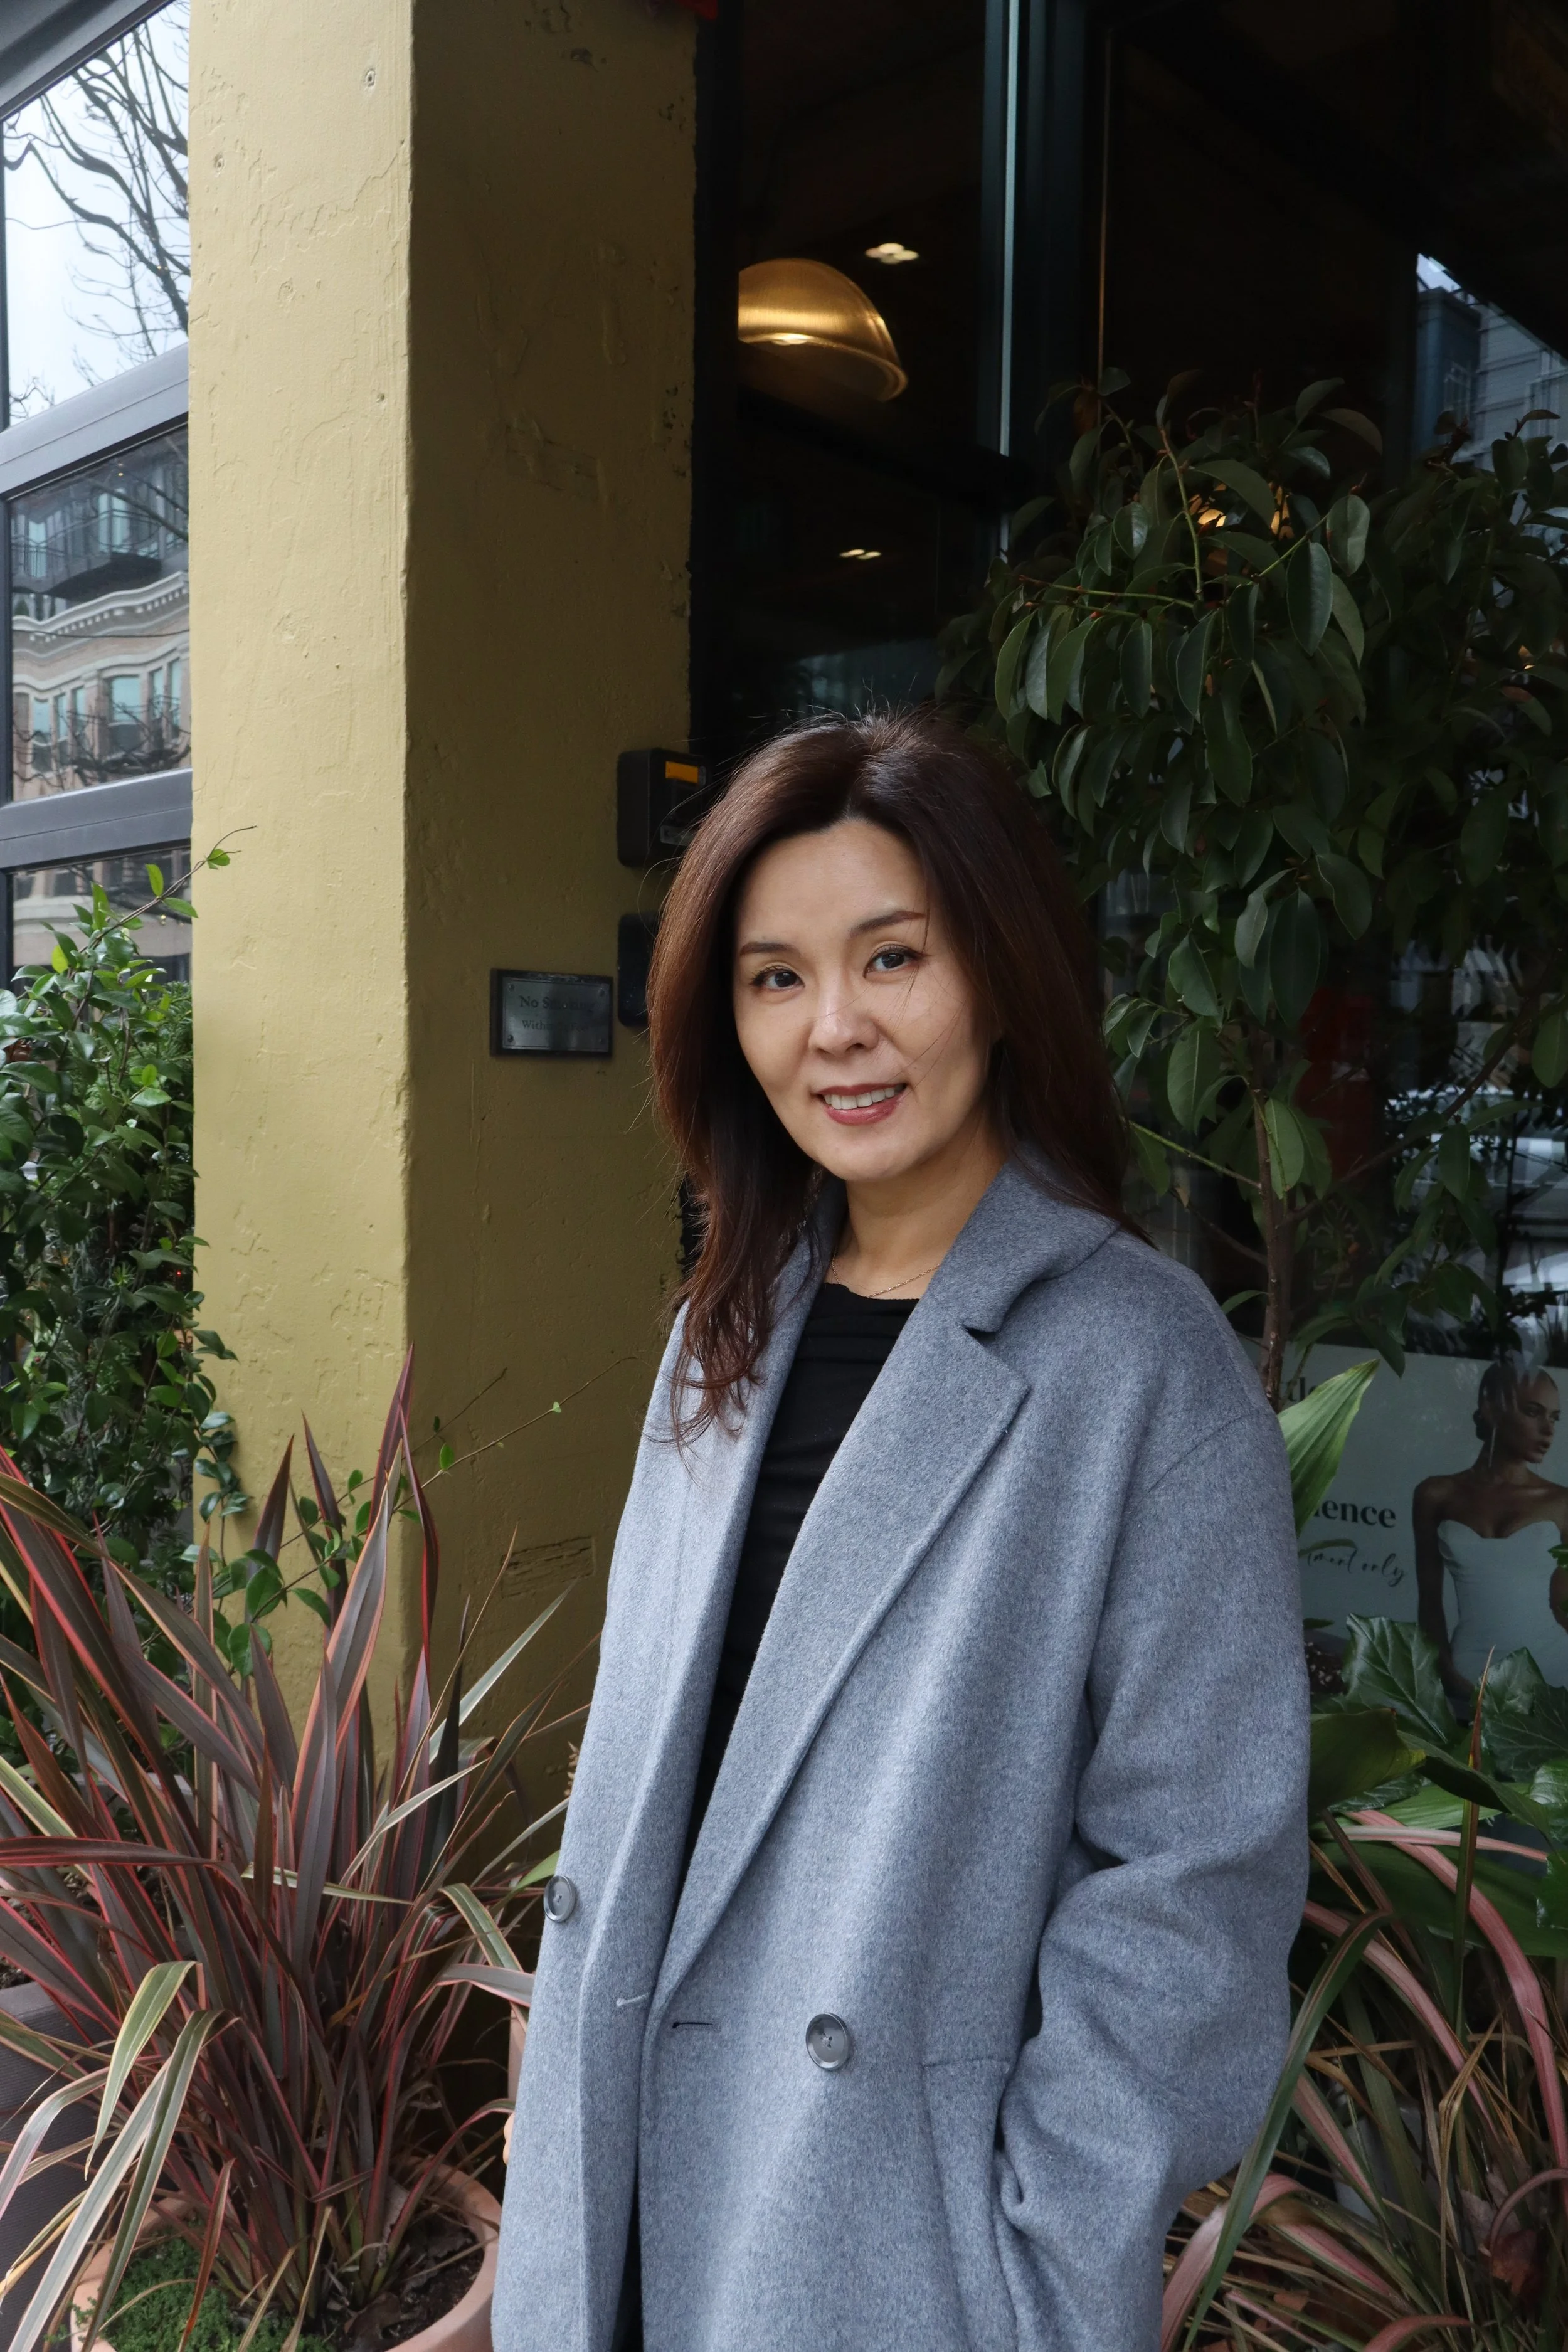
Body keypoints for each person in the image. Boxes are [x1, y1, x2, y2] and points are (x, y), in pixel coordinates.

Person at [492, 711, 1308, 2352]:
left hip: (875, 2248)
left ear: (997, 974)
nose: (835, 1028)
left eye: (891, 957)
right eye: (774, 976)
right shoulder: (725, 1329)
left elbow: (1190, 1877)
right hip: (624, 2197)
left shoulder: (1135, 1363)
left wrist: (1039, 2263)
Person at [1414, 1358, 1567, 1701]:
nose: (1548, 1430)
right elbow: (1429, 1602)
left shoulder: (1562, 1503)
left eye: (1555, 1418)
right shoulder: (1435, 1494)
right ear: (1492, 1409)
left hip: (1555, 1668)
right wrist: (1446, 1674)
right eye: (1533, 1412)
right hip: (1468, 1669)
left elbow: (1563, 1605)